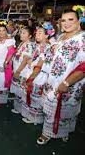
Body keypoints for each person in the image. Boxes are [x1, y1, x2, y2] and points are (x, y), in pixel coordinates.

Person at [37, 9, 85, 145]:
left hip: (70, 83)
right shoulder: (60, 37)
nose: (66, 23)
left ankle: (64, 131)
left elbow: (84, 66)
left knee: (66, 111)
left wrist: (66, 83)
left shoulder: (82, 38)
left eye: (71, 19)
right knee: (50, 110)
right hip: (52, 81)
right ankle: (48, 132)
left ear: (78, 21)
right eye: (63, 20)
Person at [22, 25, 52, 124]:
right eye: (37, 32)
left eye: (40, 33)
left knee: (35, 98)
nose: (37, 34)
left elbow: (39, 66)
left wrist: (30, 79)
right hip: (33, 72)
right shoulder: (38, 45)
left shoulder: (47, 48)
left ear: (47, 35)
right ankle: (31, 115)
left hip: (39, 76)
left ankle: (35, 119)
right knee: (30, 95)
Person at [10, 26, 35, 114]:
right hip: (18, 70)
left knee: (21, 92)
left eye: (24, 33)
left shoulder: (29, 45)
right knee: (18, 91)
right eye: (21, 32)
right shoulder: (22, 43)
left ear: (30, 36)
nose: (21, 34)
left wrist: (18, 71)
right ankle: (18, 108)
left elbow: (25, 60)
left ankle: (22, 110)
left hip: (22, 72)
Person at [0, 24, 16, 108]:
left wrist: (6, 62)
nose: (2, 32)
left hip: (3, 67)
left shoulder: (9, 41)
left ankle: (1, 101)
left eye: (3, 30)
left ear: (6, 31)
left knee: (1, 85)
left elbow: (12, 51)